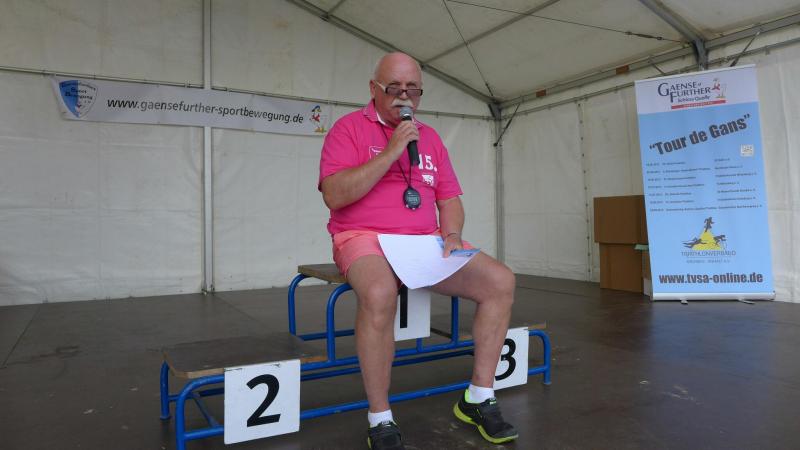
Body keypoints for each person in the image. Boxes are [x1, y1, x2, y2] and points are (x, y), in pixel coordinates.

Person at [318, 52, 518, 450]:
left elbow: (449, 198)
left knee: (500, 281)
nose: (404, 97)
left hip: (424, 240)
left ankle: (479, 397)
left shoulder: (431, 138)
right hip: (364, 237)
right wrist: (392, 151)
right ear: (373, 89)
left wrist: (453, 234)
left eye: (413, 90)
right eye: (394, 88)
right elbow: (334, 196)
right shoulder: (347, 129)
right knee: (379, 293)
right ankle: (380, 417)